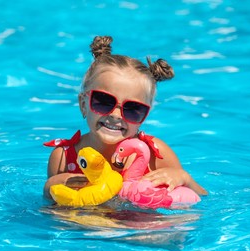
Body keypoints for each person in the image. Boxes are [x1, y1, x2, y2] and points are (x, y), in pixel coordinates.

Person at [43, 35, 207, 201]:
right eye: (104, 101)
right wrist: (50, 188)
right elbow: (53, 213)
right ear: (83, 104)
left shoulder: (155, 154)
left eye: (133, 109)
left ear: (144, 117)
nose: (115, 115)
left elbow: (201, 198)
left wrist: (184, 178)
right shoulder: (63, 158)